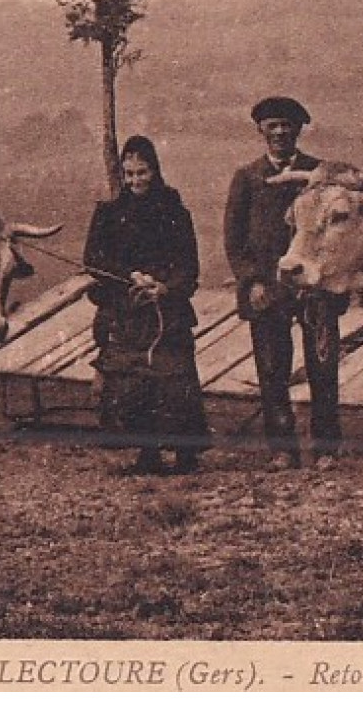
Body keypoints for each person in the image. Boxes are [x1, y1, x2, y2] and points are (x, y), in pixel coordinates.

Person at [223, 96, 347, 471]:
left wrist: (327, 279)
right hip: (268, 289)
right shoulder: (246, 177)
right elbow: (234, 240)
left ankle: (326, 448)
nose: (279, 132)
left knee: (322, 367)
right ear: (260, 130)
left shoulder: (319, 173)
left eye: (286, 125)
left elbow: (333, 232)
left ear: (298, 129)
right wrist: (252, 282)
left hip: (314, 287)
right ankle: (282, 448)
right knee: (273, 369)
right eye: (272, 125)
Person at [84, 136, 209, 475]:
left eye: (142, 173)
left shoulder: (174, 212)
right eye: (129, 174)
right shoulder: (109, 214)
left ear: (155, 171)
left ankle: (185, 454)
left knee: (174, 380)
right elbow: (93, 260)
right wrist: (129, 276)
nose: (136, 181)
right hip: (126, 308)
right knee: (133, 381)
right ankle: (147, 451)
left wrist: (164, 287)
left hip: (167, 309)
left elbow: (189, 267)